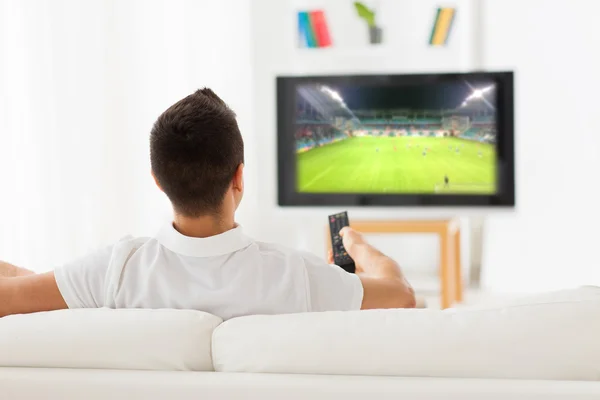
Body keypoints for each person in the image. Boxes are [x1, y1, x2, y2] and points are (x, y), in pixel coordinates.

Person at [0, 89, 415, 319]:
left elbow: (13, 298)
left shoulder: (115, 271)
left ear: (158, 182)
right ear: (239, 177)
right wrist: (358, 246)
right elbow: (401, 294)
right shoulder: (298, 276)